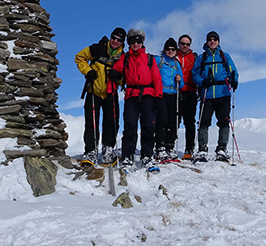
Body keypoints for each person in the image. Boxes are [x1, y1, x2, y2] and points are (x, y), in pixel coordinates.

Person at [111, 28, 163, 169]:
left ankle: (147, 156)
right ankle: (127, 156)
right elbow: (116, 71)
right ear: (129, 43)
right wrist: (113, 76)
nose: (135, 44)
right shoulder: (125, 58)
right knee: (130, 126)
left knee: (148, 126)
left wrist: (158, 96)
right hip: (131, 95)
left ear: (142, 42)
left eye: (138, 41)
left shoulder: (149, 59)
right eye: (133, 41)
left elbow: (157, 79)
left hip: (148, 95)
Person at [74, 27, 126, 164]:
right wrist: (88, 71)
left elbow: (125, 78)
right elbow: (79, 57)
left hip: (111, 93)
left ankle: (107, 151)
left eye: (119, 39)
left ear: (123, 42)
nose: (115, 41)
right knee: (92, 123)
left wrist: (119, 77)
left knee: (112, 124)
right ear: (110, 37)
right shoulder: (97, 48)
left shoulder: (123, 57)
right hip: (93, 92)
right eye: (113, 37)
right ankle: (91, 152)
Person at [192, 31, 239, 162]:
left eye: (215, 39)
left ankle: (222, 149)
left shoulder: (225, 56)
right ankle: (202, 149)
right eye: (210, 39)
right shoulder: (201, 58)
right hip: (207, 93)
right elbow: (195, 75)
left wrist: (234, 81)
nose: (212, 41)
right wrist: (202, 82)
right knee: (204, 121)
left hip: (223, 93)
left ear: (218, 41)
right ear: (207, 41)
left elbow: (233, 71)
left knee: (224, 121)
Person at [154, 38, 184, 161]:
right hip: (162, 94)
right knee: (162, 120)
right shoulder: (159, 60)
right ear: (164, 50)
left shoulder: (177, 64)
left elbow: (182, 85)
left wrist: (179, 79)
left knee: (173, 121)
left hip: (174, 94)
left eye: (173, 49)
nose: (170, 51)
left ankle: (169, 145)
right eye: (168, 49)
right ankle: (160, 146)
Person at [177, 34, 198, 159]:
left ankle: (189, 149)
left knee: (190, 122)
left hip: (190, 92)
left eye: (187, 44)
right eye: (182, 43)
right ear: (179, 44)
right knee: (175, 120)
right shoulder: (173, 56)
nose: (185, 46)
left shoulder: (194, 58)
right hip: (177, 91)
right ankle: (169, 147)